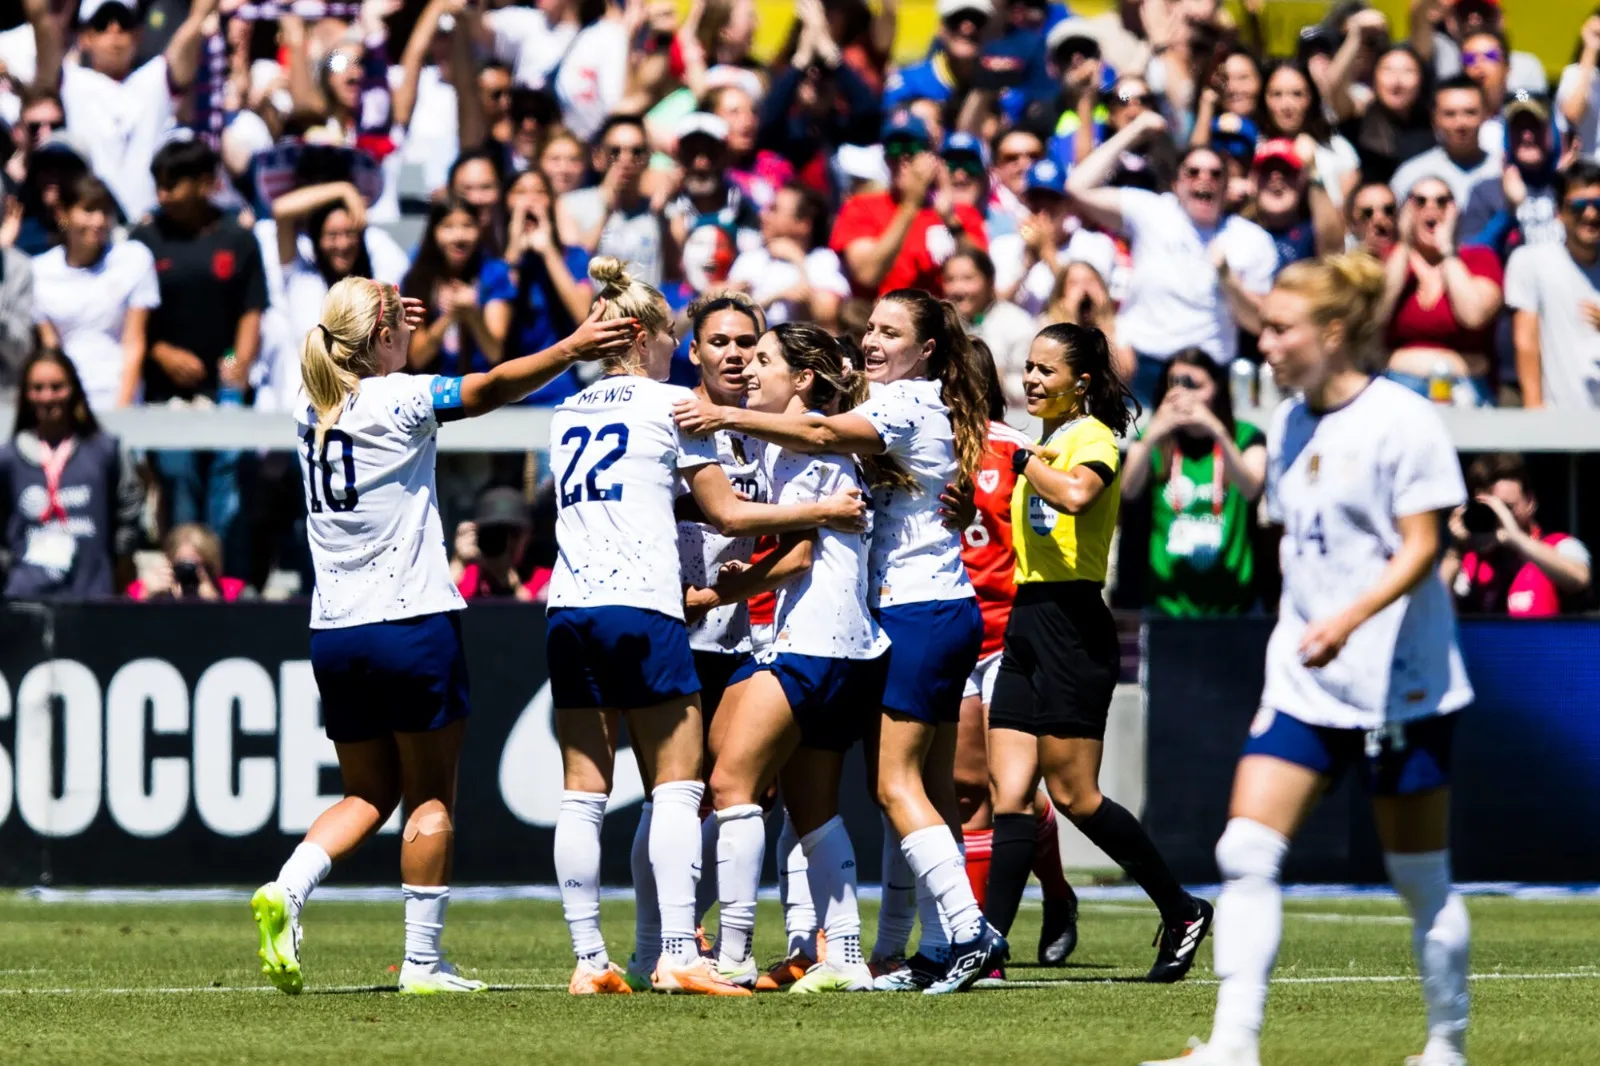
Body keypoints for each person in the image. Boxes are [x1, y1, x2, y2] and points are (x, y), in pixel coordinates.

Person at [249, 275, 639, 997]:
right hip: (412, 623)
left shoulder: (311, 403)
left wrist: (400, 338)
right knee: (430, 795)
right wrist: (574, 346)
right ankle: (423, 963)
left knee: (367, 792)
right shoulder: (400, 399)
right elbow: (488, 387)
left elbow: (378, 375)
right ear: (379, 340)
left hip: (336, 631)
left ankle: (288, 886)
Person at [1141, 253, 1473, 1066]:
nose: (1268, 344)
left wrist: (1347, 620)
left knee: (1418, 877)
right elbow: (1298, 546)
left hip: (1402, 681)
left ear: (1332, 333)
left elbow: (1423, 548)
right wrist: (1302, 637)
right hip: (1305, 680)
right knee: (1244, 852)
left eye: (1281, 330)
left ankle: (1445, 1045)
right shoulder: (1288, 422)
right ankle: (1232, 1046)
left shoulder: (1402, 420)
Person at [548, 258, 867, 998]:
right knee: (681, 794)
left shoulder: (579, 411)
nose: (734, 355)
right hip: (666, 618)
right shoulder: (679, 412)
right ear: (678, 344)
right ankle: (669, 949)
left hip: (678, 626)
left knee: (688, 796)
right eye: (717, 340)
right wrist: (818, 517)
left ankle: (654, 952)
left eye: (748, 345)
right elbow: (723, 512)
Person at [674, 289, 1006, 996]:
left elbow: (823, 441)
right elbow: (891, 478)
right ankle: (922, 946)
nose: (873, 341)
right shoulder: (896, 411)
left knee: (888, 785)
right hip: (925, 612)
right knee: (914, 791)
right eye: (871, 329)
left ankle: (967, 932)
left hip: (905, 614)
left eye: (892, 332)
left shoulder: (890, 407)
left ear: (927, 352)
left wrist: (718, 410)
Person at [984, 321, 1212, 984]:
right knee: (1010, 793)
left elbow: (1080, 495)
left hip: (1070, 622)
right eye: (1027, 367)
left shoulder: (1092, 437)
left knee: (1076, 796)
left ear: (1081, 382)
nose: (1030, 379)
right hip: (1028, 616)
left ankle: (1181, 908)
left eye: (1045, 371)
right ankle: (988, 945)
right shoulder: (1049, 439)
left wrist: (1022, 461)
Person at [705, 323, 890, 995]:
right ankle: (843, 956)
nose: (749, 369)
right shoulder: (795, 446)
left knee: (730, 785)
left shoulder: (811, 443)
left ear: (803, 379)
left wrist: (723, 590)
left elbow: (805, 554)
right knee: (813, 807)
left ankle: (729, 955)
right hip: (843, 644)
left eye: (763, 360)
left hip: (814, 638)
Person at [953, 339, 1079, 973]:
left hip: (1007, 637)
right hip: (949, 635)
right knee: (972, 786)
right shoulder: (911, 443)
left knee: (1015, 790)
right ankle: (987, 938)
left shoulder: (1013, 448)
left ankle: (1051, 900)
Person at [1067, 111, 1277, 402]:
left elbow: (1258, 323)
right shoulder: (1152, 211)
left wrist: (1228, 280)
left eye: (1215, 174)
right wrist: (1136, 129)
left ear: (1227, 188)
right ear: (1177, 184)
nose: (1204, 179)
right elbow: (1078, 187)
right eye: (1192, 172)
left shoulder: (1252, 239)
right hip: (1143, 362)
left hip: (1208, 369)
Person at [133, 138, 268, 559]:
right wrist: (161, 354)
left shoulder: (238, 239)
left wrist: (239, 362)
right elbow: (132, 321)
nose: (163, 195)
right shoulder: (145, 239)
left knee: (229, 479)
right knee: (178, 474)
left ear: (206, 183)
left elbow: (252, 310)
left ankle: (226, 577)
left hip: (225, 392)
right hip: (165, 395)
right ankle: (184, 575)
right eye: (159, 184)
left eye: (174, 184)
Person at [1122, 350, 1267, 617]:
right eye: (1174, 384)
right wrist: (1154, 432)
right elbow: (1128, 490)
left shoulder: (1245, 436)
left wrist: (1216, 429)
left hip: (1234, 605)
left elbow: (1250, 488)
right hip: (1167, 605)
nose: (1183, 395)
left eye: (1194, 386)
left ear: (1217, 389)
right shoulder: (1153, 442)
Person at [0, 349, 140, 599]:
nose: (47, 397)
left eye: (57, 387)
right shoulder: (9, 458)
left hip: (91, 593)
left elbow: (128, 510)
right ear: (26, 394)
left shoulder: (105, 451)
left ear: (73, 389)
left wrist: (117, 558)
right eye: (37, 388)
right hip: (26, 598)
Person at [31, 174, 159, 411]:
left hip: (119, 396)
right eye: (89, 210)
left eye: (105, 211)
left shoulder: (133, 258)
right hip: (66, 404)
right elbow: (51, 349)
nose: (99, 221)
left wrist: (123, 410)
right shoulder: (39, 271)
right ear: (62, 214)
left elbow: (134, 343)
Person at [830, 112, 988, 300]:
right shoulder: (860, 206)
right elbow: (868, 274)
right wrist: (911, 204)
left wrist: (950, 220)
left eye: (912, 148)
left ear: (931, 156)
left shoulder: (960, 212)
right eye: (894, 149)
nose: (902, 158)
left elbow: (985, 277)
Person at [1379, 176, 1504, 405]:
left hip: (1464, 391)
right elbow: (1375, 314)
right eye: (1420, 201)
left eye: (1442, 201)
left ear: (1454, 210)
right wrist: (1404, 245)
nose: (1431, 208)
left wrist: (1448, 251)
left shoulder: (1479, 259)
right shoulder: (1389, 261)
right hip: (1396, 389)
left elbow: (1474, 315)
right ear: (1406, 210)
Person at [1441, 452, 1592, 617]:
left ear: (1530, 502)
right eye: (1492, 509)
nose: (1499, 516)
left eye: (1507, 507)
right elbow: (1431, 609)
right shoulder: (1470, 562)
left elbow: (1580, 579)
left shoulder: (1559, 545)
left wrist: (1515, 538)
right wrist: (1456, 551)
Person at [1504, 159, 1600, 408]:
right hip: (1558, 426)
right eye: (1579, 205)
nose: (1591, 214)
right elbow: (1526, 341)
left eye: (1598, 204)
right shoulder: (1530, 262)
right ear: (1559, 212)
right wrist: (1536, 413)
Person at [503, 168, 594, 404]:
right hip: (507, 387)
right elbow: (498, 314)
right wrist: (514, 251)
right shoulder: (492, 259)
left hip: (560, 387)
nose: (530, 200)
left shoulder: (574, 257)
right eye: (520, 192)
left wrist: (548, 252)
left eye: (540, 192)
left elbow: (583, 315)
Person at [402, 197, 514, 376]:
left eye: (468, 226)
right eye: (448, 227)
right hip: (432, 387)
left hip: (482, 384)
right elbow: (417, 357)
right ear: (434, 232)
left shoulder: (495, 273)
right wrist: (450, 316)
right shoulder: (418, 278)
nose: (459, 236)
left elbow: (495, 353)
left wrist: (473, 314)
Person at [555, 114, 668, 289]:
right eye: (615, 152)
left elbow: (675, 276)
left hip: (648, 313)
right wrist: (606, 209)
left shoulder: (660, 210)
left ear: (648, 158)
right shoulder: (570, 205)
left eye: (636, 152)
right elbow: (575, 270)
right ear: (598, 157)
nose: (625, 160)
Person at [727, 182, 850, 331]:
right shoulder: (749, 259)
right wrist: (777, 297)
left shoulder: (823, 260)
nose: (763, 215)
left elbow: (827, 315)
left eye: (774, 210)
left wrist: (798, 260)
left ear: (803, 224)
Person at [1459, 93, 1565, 261]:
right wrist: (1508, 212)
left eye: (1535, 126)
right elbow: (1471, 256)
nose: (1527, 136)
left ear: (1551, 131)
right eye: (1519, 128)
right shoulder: (1485, 191)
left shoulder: (1572, 188)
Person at [1389, 75, 1502, 206]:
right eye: (1450, 114)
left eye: (1470, 113)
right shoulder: (1410, 176)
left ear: (1486, 115)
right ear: (1434, 119)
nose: (1460, 123)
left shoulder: (1503, 172)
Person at [941, 250, 1034, 405]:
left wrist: (998, 382)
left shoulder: (1018, 323)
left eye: (968, 279)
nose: (958, 289)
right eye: (950, 279)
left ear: (990, 281)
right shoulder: (940, 326)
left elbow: (1032, 385)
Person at [451, 487, 539, 602]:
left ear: (528, 536)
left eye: (514, 532)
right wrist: (458, 561)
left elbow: (537, 617)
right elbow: (437, 608)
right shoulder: (465, 577)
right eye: (493, 532)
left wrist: (513, 587)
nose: (507, 542)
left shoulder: (544, 579)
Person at [127, 523, 247, 602]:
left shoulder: (233, 592)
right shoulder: (149, 590)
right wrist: (146, 597)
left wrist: (214, 603)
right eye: (183, 566)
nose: (193, 574)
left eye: (203, 567)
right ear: (169, 563)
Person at [1348, 180, 1400, 260]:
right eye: (1368, 213)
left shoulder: (1415, 264)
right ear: (1353, 223)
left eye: (1388, 210)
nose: (1379, 220)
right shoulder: (1344, 270)